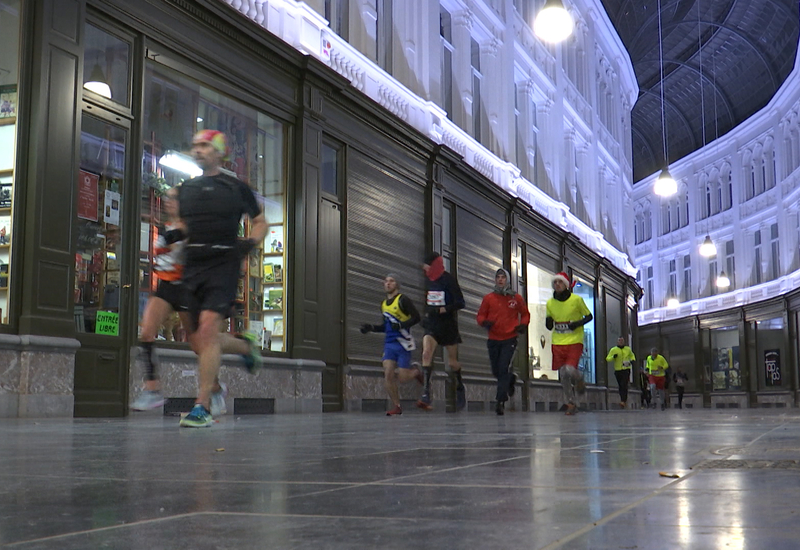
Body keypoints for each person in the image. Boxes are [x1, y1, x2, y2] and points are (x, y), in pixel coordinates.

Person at [171, 130, 268, 427]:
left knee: (209, 330)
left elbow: (261, 222)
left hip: (223, 264)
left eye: (204, 145)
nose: (198, 150)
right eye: (195, 146)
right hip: (192, 265)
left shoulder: (237, 188)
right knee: (195, 338)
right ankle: (245, 347)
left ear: (219, 152)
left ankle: (202, 407)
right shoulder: (185, 189)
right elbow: (185, 227)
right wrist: (174, 237)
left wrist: (249, 243)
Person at [131, 187, 188, 411]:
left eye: (174, 198)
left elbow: (181, 244)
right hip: (165, 286)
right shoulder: (165, 226)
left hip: (185, 287)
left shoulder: (187, 226)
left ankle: (213, 387)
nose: (168, 201)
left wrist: (171, 238)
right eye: (167, 198)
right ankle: (152, 389)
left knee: (197, 343)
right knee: (146, 332)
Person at [360, 274, 424, 416]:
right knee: (388, 374)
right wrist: (371, 328)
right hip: (389, 344)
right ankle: (397, 406)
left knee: (402, 378)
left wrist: (401, 324)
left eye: (392, 281)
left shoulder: (403, 300)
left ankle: (416, 372)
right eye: (386, 281)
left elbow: (417, 317)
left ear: (397, 285)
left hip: (403, 343)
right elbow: (386, 326)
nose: (388, 284)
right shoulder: (383, 304)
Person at [476, 268, 530, 415]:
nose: (500, 280)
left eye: (503, 277)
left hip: (509, 338)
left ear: (507, 280)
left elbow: (525, 314)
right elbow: (480, 315)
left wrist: (522, 325)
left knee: (503, 368)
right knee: (496, 371)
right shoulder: (489, 298)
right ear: (495, 280)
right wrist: (484, 322)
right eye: (498, 277)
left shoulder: (516, 298)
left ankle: (500, 401)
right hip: (493, 338)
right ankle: (511, 379)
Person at [416, 252, 466, 411]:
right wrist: (426, 314)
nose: (424, 268)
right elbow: (428, 299)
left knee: (452, 362)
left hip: (447, 325)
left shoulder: (448, 279)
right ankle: (426, 392)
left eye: (427, 265)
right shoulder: (428, 280)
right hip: (432, 324)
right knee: (426, 353)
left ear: (434, 265)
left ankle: (459, 385)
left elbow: (461, 302)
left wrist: (445, 309)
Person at [545, 271, 593, 415]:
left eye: (560, 282)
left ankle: (579, 378)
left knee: (569, 369)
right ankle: (570, 402)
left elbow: (589, 316)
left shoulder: (576, 300)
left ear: (566, 285)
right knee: (563, 374)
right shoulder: (550, 303)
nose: (557, 284)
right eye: (555, 282)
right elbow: (549, 321)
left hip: (574, 340)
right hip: (558, 340)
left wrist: (577, 323)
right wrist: (548, 322)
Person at [606, 336, 636, 409]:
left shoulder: (628, 349)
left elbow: (632, 356)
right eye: (619, 340)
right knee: (620, 385)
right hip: (618, 370)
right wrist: (613, 357)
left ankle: (623, 400)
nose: (621, 342)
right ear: (617, 341)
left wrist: (632, 360)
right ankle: (622, 399)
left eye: (622, 340)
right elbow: (607, 358)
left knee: (624, 384)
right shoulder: (613, 350)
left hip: (626, 369)